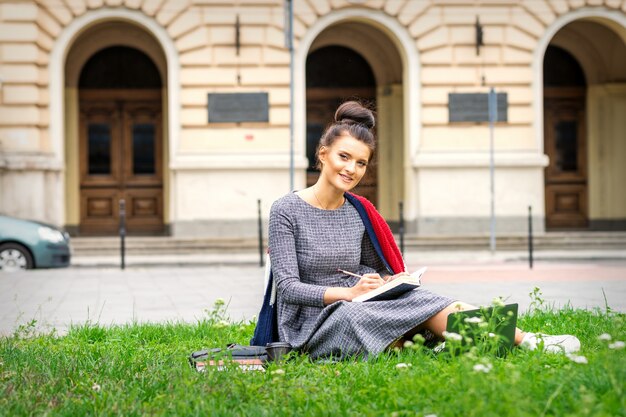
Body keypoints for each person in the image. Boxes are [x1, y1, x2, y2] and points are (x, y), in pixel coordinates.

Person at [267, 101, 580, 359]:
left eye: (361, 163)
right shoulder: (286, 210)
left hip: (359, 303)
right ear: (323, 154)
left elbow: (376, 270)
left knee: (426, 298)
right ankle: (433, 344)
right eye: (344, 157)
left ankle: (529, 340)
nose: (351, 169)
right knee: (356, 316)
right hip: (310, 323)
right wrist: (347, 294)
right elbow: (289, 288)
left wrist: (390, 280)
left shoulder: (357, 211)